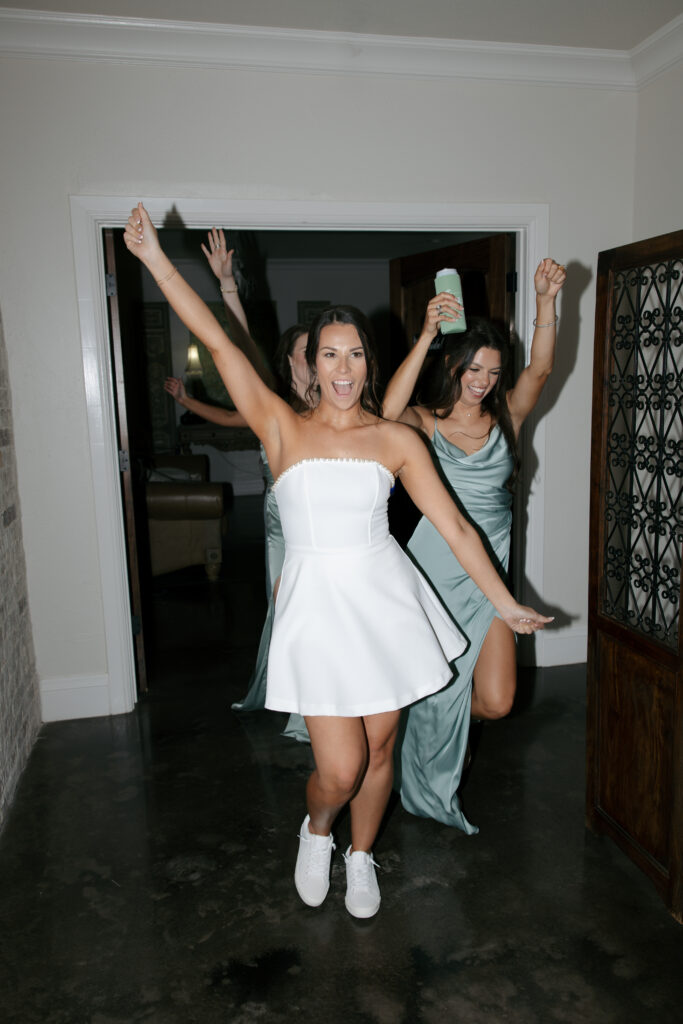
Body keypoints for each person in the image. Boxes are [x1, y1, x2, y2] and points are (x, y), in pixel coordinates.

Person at [124, 202, 552, 920]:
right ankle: (317, 827)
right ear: (312, 364)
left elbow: (455, 529)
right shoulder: (281, 428)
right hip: (319, 610)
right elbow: (221, 346)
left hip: (385, 600)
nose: (343, 367)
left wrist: (504, 604)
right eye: (330, 353)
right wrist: (156, 262)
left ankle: (360, 856)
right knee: (340, 767)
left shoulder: (394, 440)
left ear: (367, 364)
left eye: (355, 354)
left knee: (381, 750)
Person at [382, 259, 566, 828]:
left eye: (492, 370)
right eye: (474, 369)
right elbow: (384, 413)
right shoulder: (424, 423)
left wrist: (544, 303)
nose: (483, 380)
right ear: (455, 366)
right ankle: (423, 754)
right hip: (434, 571)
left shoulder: (508, 415)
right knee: (439, 681)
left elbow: (540, 368)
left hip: (490, 577)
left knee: (497, 700)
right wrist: (427, 336)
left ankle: (436, 729)